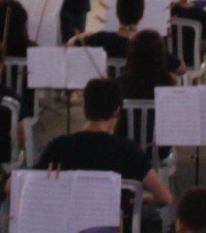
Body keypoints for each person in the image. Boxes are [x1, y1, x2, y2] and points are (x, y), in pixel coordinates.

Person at [35, 76, 171, 205]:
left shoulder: (59, 146)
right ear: (117, 111)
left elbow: (22, 182)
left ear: (84, 109)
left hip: (69, 226)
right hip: (114, 228)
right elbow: (164, 198)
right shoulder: (128, 150)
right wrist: (137, 199)